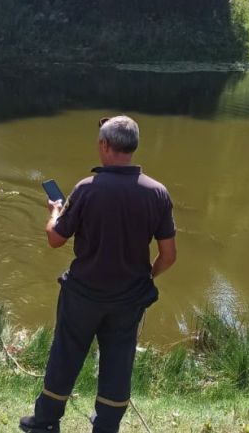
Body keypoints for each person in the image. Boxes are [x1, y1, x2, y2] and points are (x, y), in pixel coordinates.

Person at [20, 115, 177, 433]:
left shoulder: (87, 189)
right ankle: (106, 426)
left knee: (66, 353)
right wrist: (146, 277)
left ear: (104, 146)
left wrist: (55, 213)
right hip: (129, 298)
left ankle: (46, 422)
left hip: (83, 294)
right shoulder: (158, 193)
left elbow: (55, 239)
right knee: (119, 360)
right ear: (133, 146)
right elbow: (169, 256)